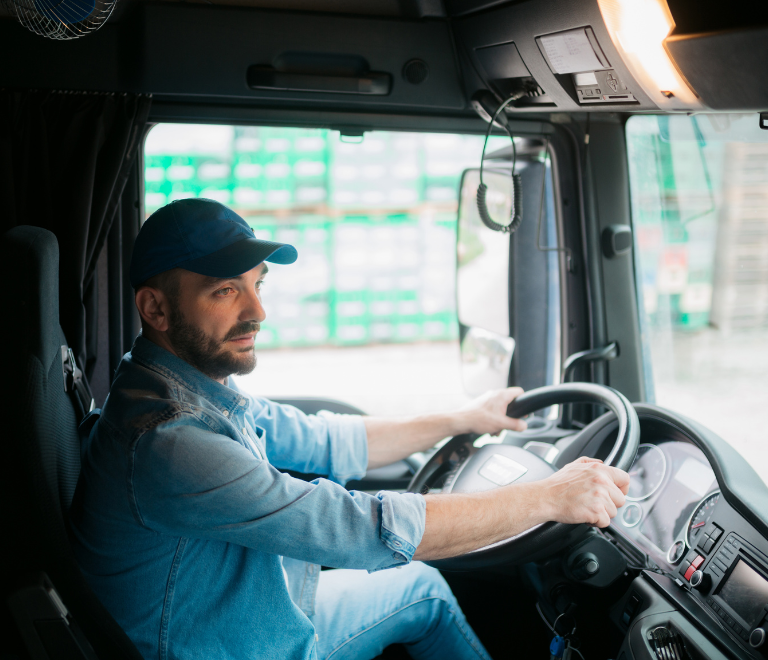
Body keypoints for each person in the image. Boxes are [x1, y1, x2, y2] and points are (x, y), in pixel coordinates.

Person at [69, 198, 630, 660]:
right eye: (224, 291)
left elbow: (324, 438)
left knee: (422, 589)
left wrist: (465, 418)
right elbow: (359, 530)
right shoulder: (170, 443)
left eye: (257, 284)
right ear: (156, 309)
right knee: (421, 584)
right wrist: (549, 498)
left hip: (247, 614)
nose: (257, 311)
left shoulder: (180, 389)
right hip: (219, 647)